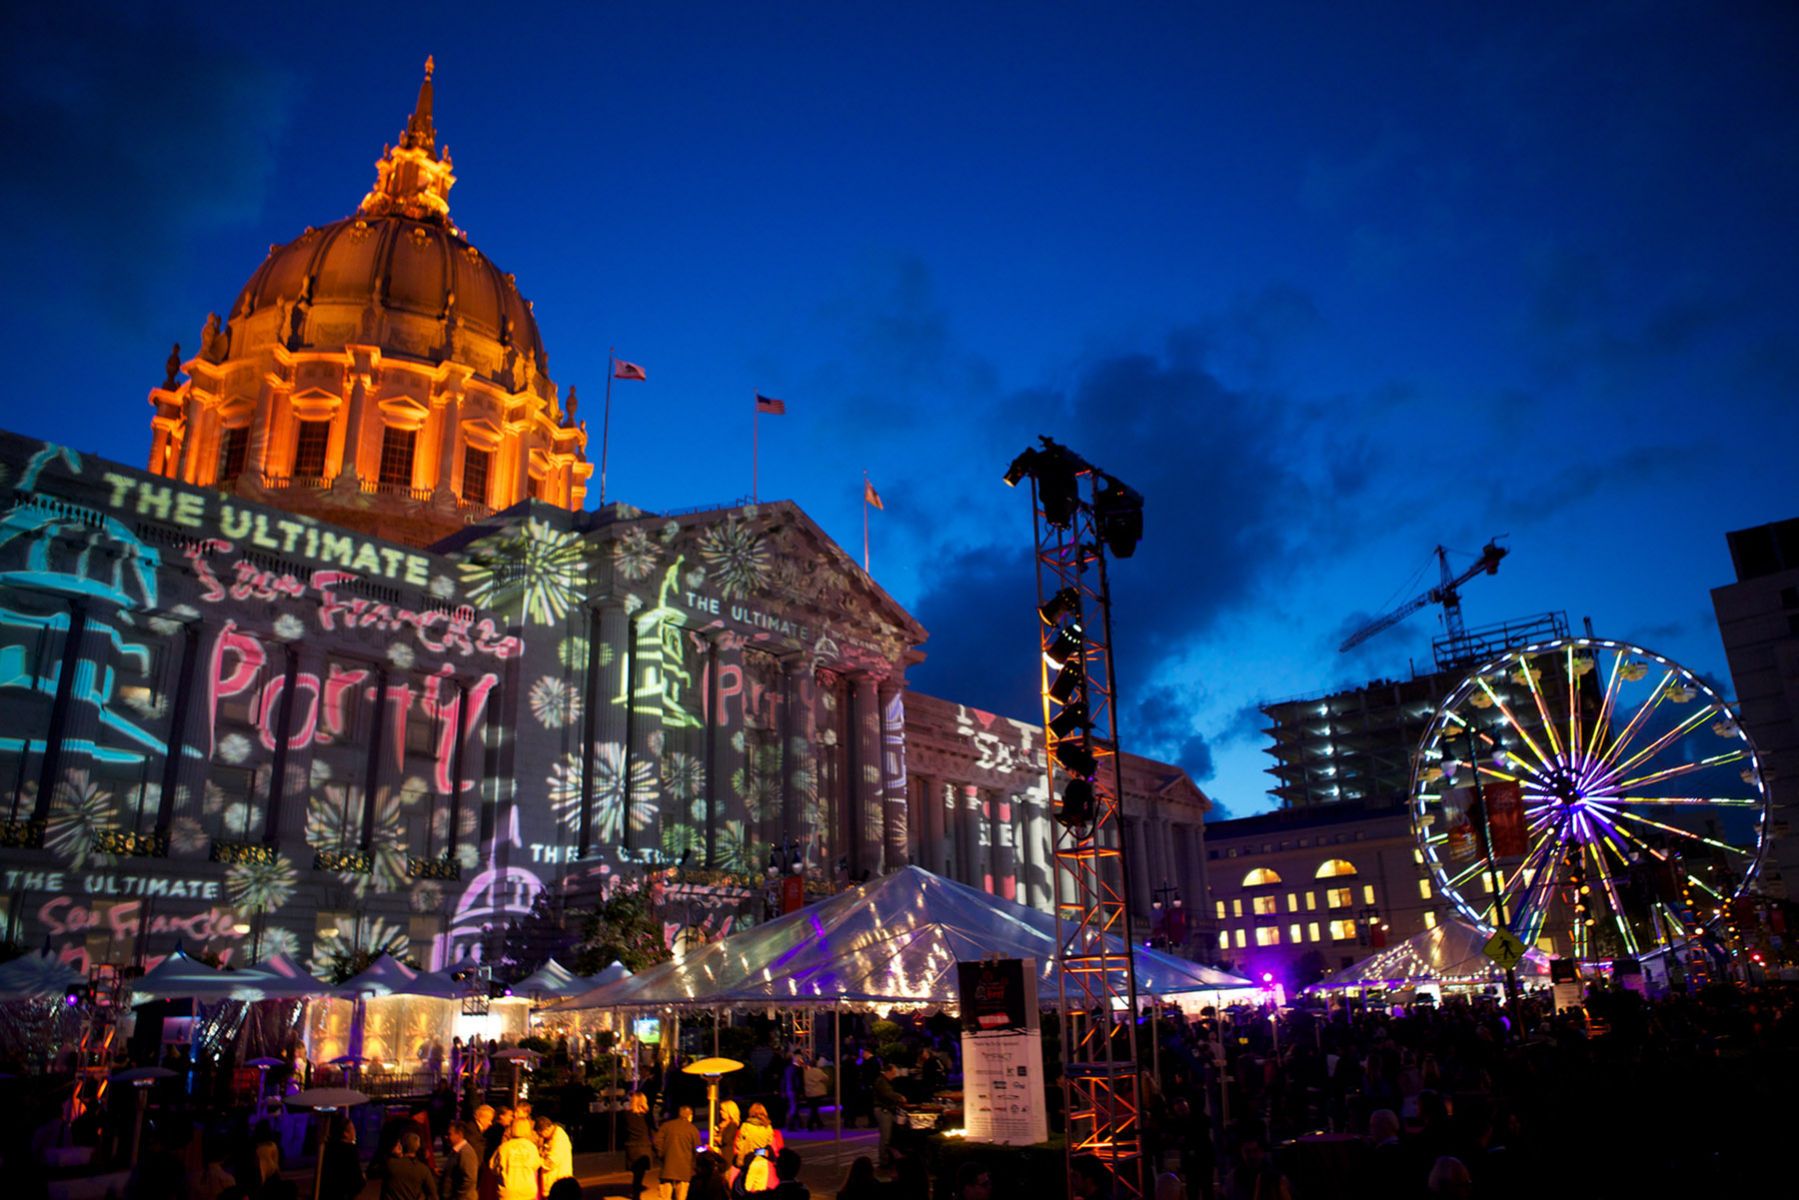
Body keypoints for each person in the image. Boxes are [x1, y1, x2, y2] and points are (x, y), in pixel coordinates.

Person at [654, 1105, 702, 1200]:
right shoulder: (692, 1129)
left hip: (668, 1167)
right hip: (684, 1169)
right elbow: (697, 1148)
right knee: (681, 1196)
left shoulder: (667, 1126)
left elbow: (657, 1141)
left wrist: (662, 1154)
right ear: (690, 1116)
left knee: (665, 1196)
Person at [1221, 1132, 1289, 1200]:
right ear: (1241, 1153)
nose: (1252, 1156)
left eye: (1255, 1151)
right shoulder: (1234, 1177)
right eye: (1247, 1152)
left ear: (1262, 1152)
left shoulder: (1274, 1176)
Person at [731, 1104, 781, 1193]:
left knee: (746, 1188)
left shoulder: (746, 1126)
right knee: (760, 1190)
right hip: (763, 1161)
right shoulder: (768, 1126)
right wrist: (758, 1150)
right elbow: (769, 1142)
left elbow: (739, 1143)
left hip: (750, 1160)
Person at [491, 1119, 544, 1200]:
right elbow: (536, 1165)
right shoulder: (532, 1147)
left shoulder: (503, 1147)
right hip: (527, 1190)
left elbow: (493, 1167)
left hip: (508, 1191)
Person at [381, 1131, 440, 1200]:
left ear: (402, 1146)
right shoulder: (423, 1169)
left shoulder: (390, 1164)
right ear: (417, 1148)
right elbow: (433, 1195)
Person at [319, 1116, 365, 1200]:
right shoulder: (350, 1151)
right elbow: (357, 1181)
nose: (354, 1132)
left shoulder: (328, 1148)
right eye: (352, 1129)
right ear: (345, 1133)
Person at [869, 1063, 905, 1170]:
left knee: (891, 1135)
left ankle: (889, 1157)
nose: (894, 1076)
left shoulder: (885, 1081)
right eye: (893, 1073)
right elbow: (888, 1094)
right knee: (885, 1137)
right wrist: (900, 1097)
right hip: (883, 1111)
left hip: (887, 1110)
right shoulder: (881, 1082)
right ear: (888, 1072)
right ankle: (884, 1161)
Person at [624, 1092, 657, 1200]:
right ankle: (636, 1194)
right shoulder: (647, 1116)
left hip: (632, 1147)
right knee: (640, 1174)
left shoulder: (627, 1115)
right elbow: (652, 1130)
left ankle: (635, 1192)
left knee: (636, 1173)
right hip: (644, 1146)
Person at [442, 1122, 481, 1200]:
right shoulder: (456, 1151)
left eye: (449, 1134)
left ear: (459, 1134)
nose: (446, 1137)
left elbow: (470, 1179)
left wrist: (458, 1196)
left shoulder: (466, 1152)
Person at [535, 1115, 574, 1191]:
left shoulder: (558, 1140)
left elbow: (551, 1162)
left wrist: (538, 1161)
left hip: (557, 1182)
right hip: (556, 1182)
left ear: (545, 1130)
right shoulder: (552, 1138)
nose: (540, 1137)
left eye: (540, 1134)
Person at [801, 1060, 829, 1132]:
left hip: (809, 1093)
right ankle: (810, 1124)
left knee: (813, 1108)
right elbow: (826, 1078)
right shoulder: (818, 1071)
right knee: (814, 1109)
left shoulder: (805, 1072)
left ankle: (819, 1123)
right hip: (818, 1093)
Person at [713, 1101, 740, 1167]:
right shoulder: (722, 1125)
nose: (720, 1112)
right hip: (720, 1155)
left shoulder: (732, 1125)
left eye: (723, 1110)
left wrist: (715, 1138)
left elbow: (725, 1140)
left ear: (729, 1112)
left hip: (727, 1156)